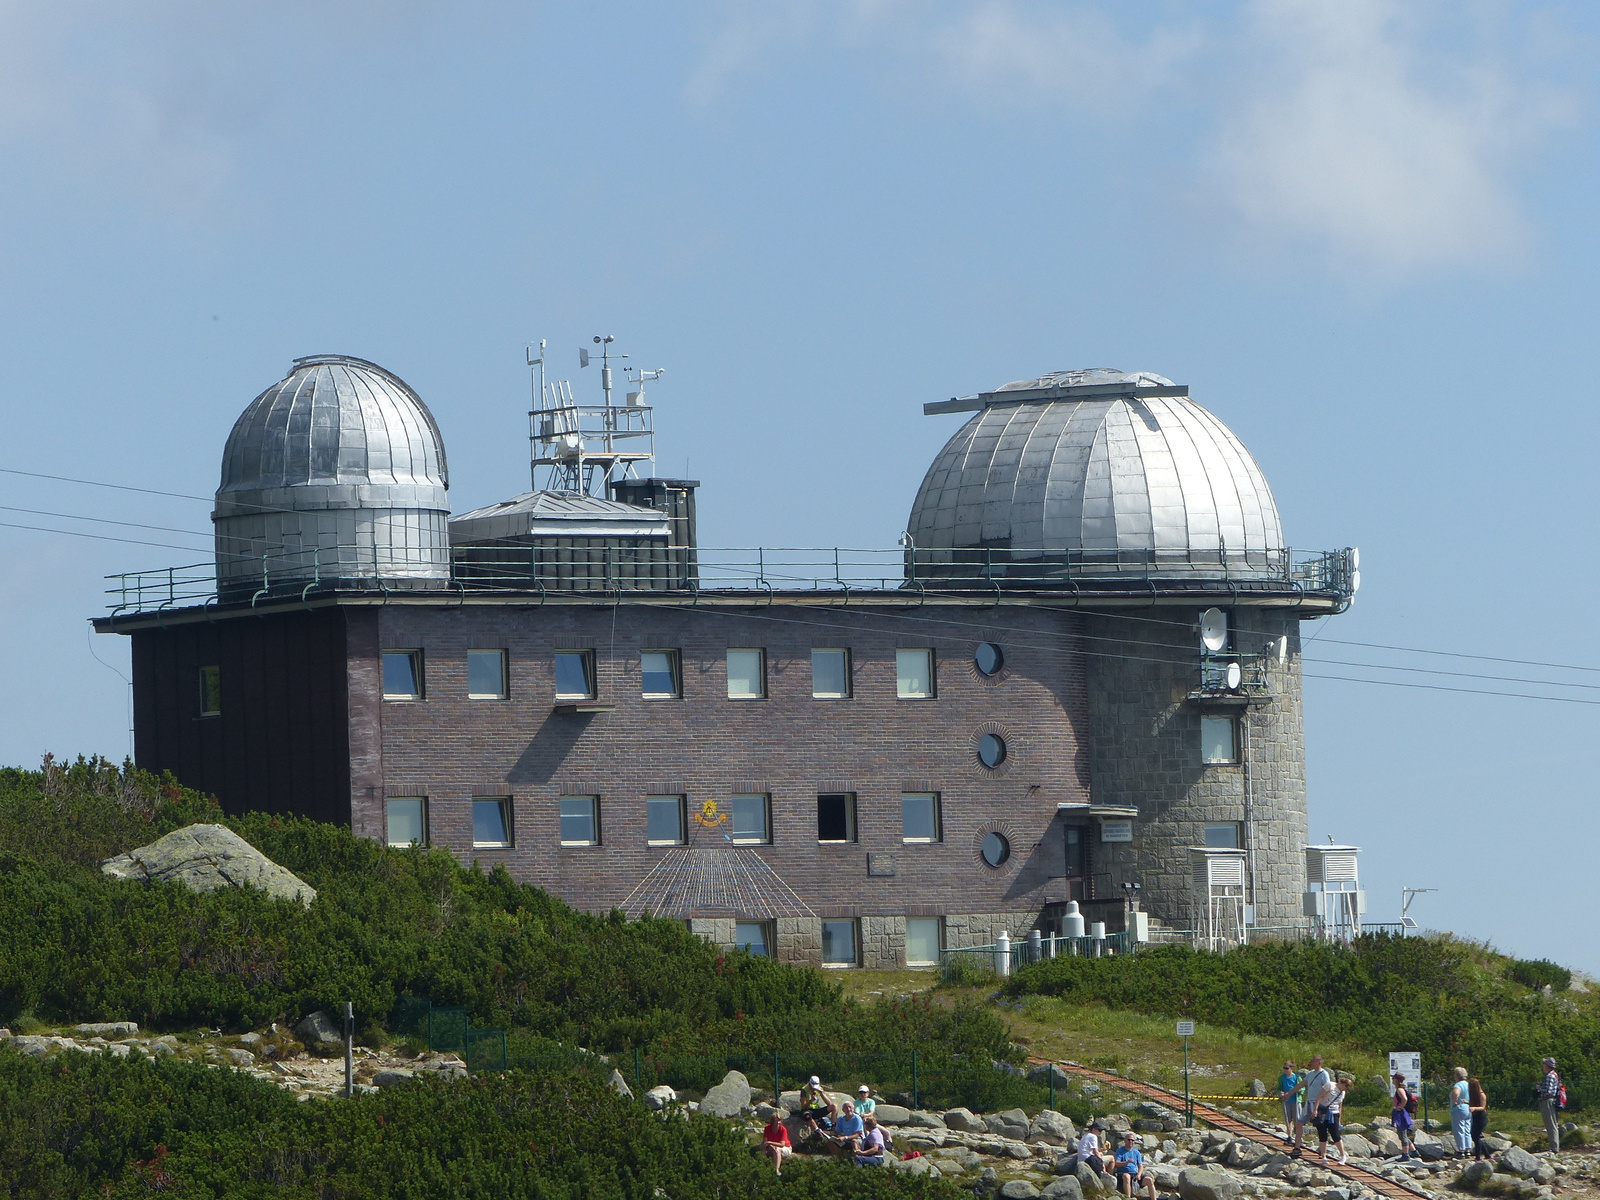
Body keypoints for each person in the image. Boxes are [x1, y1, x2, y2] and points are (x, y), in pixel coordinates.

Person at [1310, 1076, 1349, 1165]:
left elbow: (1340, 1105)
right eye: (1346, 1088)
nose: (1345, 1090)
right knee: (1322, 1133)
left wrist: (1339, 1119)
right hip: (1323, 1111)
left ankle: (1343, 1155)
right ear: (1343, 1084)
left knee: (1335, 1134)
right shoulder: (1330, 1085)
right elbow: (1319, 1097)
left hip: (1334, 1113)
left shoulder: (1342, 1093)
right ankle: (1323, 1156)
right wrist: (1315, 1110)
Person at [1295, 1055, 1330, 1157]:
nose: (1311, 1063)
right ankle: (1297, 1146)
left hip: (1319, 1103)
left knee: (1320, 1127)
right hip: (1309, 1102)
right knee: (1299, 1122)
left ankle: (1323, 1152)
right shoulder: (1310, 1074)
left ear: (1319, 1062)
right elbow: (1302, 1084)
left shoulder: (1324, 1074)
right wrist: (1290, 1093)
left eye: (1313, 1061)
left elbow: (1327, 1088)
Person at [1115, 1131, 1158, 1200]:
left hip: (1134, 1174)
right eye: (1129, 1140)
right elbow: (1116, 1164)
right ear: (1125, 1140)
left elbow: (1140, 1165)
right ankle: (1128, 1198)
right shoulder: (1120, 1151)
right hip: (1123, 1173)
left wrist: (1139, 1174)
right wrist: (1126, 1162)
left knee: (1149, 1180)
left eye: (1132, 1140)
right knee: (1126, 1176)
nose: (1130, 1141)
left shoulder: (1136, 1152)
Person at [1391, 1072, 1419, 1161]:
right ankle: (1414, 1151)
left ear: (1396, 1080)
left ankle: (1405, 1155)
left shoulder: (1399, 1090)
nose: (1392, 1080)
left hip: (1401, 1113)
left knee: (1402, 1135)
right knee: (1403, 1134)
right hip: (1403, 1113)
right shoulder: (1401, 1089)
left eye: (1393, 1078)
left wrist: (1400, 1107)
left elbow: (1405, 1099)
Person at [1538, 1058, 1562, 1153]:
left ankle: (1554, 1147)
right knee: (1553, 1123)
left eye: (1544, 1064)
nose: (1543, 1065)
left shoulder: (1549, 1076)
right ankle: (1554, 1146)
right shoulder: (1554, 1075)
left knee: (1550, 1124)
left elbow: (1548, 1091)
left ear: (1547, 1065)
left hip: (1547, 1101)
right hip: (1551, 1101)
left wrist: (1539, 1089)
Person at [1278, 1060, 1305, 1145]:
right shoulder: (1281, 1078)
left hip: (1295, 1101)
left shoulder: (1297, 1078)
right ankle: (1289, 1136)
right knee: (1288, 1120)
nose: (1285, 1070)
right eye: (1284, 1068)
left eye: (1287, 1068)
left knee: (1297, 1120)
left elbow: (1302, 1089)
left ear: (1292, 1068)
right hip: (1286, 1101)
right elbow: (1279, 1088)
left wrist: (1296, 1091)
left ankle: (1298, 1138)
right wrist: (1280, 1093)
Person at [1449, 1068, 1472, 1157]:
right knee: (1467, 1129)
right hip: (1468, 1108)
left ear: (1457, 1075)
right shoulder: (1468, 1084)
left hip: (1459, 1108)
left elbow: (1456, 1093)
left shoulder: (1458, 1085)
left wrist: (1455, 1102)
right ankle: (1468, 1149)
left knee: (1459, 1129)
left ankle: (1461, 1150)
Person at [1468, 1077, 1490, 1161]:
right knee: (1475, 1136)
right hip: (1476, 1117)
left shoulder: (1482, 1095)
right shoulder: (1475, 1095)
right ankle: (1487, 1155)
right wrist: (1466, 1102)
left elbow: (1482, 1107)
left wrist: (1474, 1108)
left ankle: (1478, 1157)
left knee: (1475, 1137)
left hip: (1481, 1117)